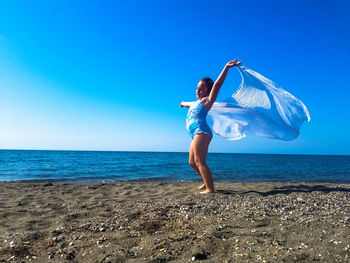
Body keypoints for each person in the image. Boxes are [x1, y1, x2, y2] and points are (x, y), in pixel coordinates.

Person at [180, 59, 242, 194]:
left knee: (199, 160)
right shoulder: (195, 103)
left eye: (201, 88)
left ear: (207, 90)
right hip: (195, 134)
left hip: (201, 132)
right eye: (197, 88)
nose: (198, 90)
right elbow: (187, 103)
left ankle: (210, 189)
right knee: (192, 162)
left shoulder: (206, 101)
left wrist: (226, 67)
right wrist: (182, 103)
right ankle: (205, 180)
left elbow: (218, 85)